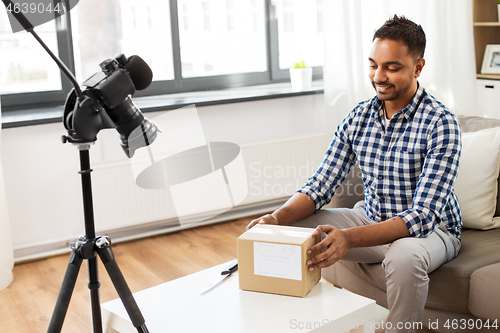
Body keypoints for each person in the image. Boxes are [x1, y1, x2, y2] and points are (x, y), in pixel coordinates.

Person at [246, 15, 462, 333]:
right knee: (290, 230)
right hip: (372, 218)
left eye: (392, 67)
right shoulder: (358, 117)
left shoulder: (441, 124)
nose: (378, 76)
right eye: (373, 65)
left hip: (432, 232)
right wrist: (276, 220)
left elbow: (422, 217)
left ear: (418, 67)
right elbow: (320, 184)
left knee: (404, 257)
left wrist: (348, 239)